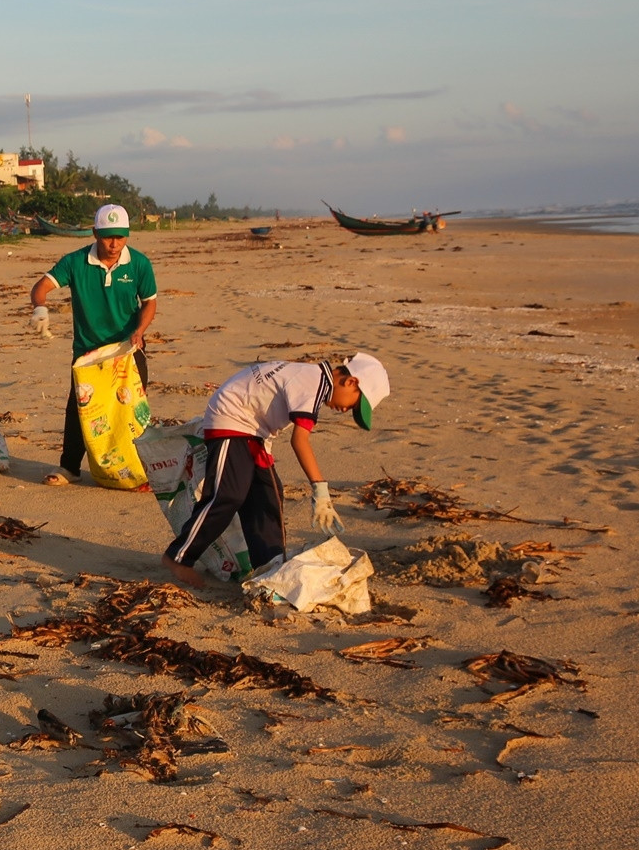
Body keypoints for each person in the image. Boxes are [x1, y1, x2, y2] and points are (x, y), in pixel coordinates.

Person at [163, 353, 391, 588]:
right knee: (228, 494)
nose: (346, 410)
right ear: (351, 382)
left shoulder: (315, 380)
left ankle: (269, 568)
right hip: (230, 419)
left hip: (255, 433)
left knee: (268, 498)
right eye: (353, 404)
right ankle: (179, 557)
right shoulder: (314, 382)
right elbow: (299, 441)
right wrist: (320, 489)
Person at [28, 203, 159, 485]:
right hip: (88, 353)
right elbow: (41, 287)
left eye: (121, 237)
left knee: (134, 410)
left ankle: (141, 470)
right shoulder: (75, 262)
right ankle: (69, 468)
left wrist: (140, 330)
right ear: (94, 232)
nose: (114, 244)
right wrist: (40, 308)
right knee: (77, 409)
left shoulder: (139, 263)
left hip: (128, 349)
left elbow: (149, 302)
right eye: (108, 236)